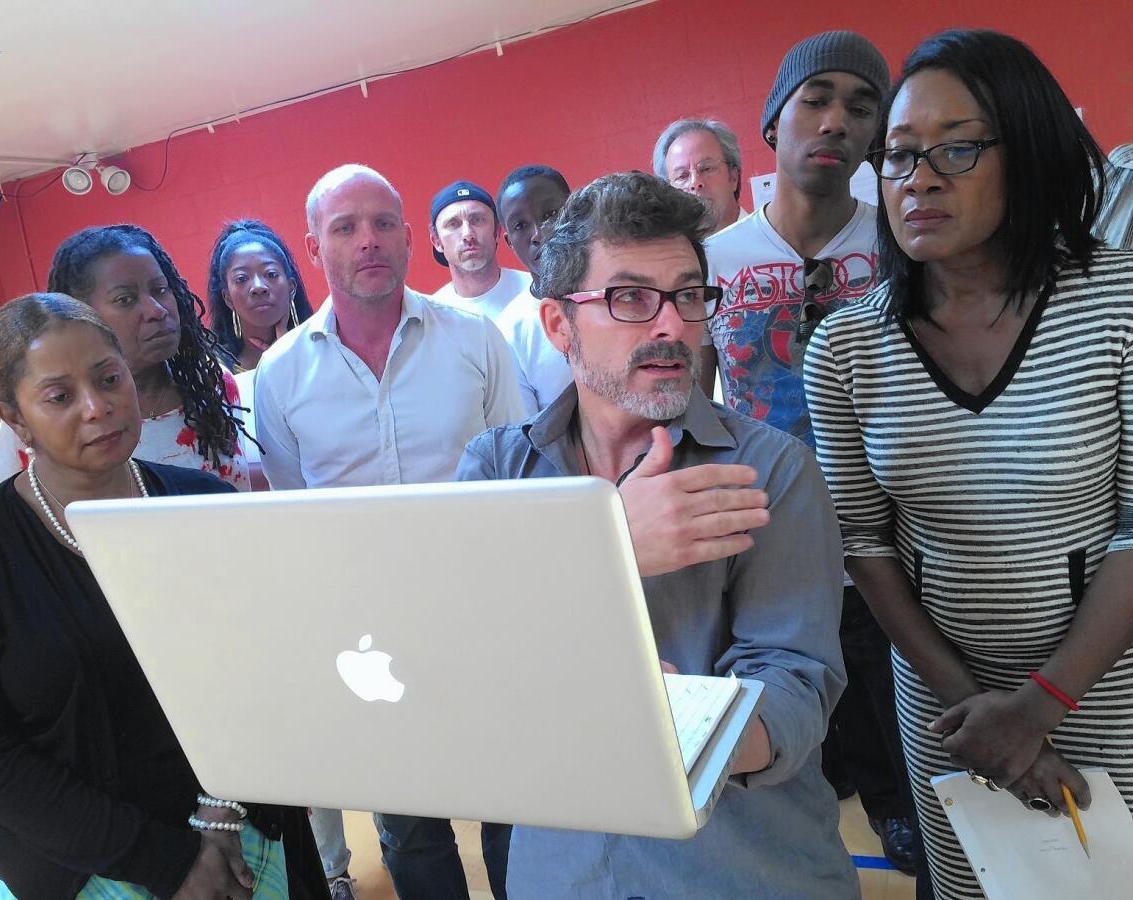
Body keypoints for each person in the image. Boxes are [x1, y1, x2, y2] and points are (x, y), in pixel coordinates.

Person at [458, 171, 858, 899]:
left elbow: (797, 690)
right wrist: (611, 550)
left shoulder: (772, 471)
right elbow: (460, 660)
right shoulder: (496, 470)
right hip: (562, 873)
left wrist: (680, 725)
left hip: (740, 871)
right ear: (558, 325)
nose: (672, 326)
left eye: (688, 296)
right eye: (630, 298)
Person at [805, 29, 1133, 900]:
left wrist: (1039, 707)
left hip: (1103, 682)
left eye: (955, 149)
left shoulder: (1117, 302)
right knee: (976, 884)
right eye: (900, 156)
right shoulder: (847, 347)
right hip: (942, 696)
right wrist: (975, 712)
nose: (919, 178)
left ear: (1023, 150)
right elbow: (866, 542)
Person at [0, 294, 328, 900]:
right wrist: (166, 863)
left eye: (108, 378)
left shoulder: (209, 507)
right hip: (73, 864)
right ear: (14, 418)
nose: (98, 408)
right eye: (59, 396)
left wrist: (221, 820)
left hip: (243, 832)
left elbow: (268, 673)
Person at [253, 164, 523, 900]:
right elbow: (294, 510)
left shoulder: (476, 341)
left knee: (515, 805)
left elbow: (518, 479)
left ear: (409, 239)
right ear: (315, 247)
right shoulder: (279, 377)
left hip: (479, 616)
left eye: (381, 224)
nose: (366, 240)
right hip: (365, 638)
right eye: (344, 227)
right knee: (407, 824)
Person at [699, 30, 920, 875]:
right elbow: (696, 398)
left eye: (861, 106)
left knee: (894, 711)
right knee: (793, 733)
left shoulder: (902, 244)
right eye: (816, 100)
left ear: (878, 133)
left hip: (892, 533)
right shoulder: (717, 259)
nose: (836, 120)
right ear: (773, 123)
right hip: (770, 534)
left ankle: (906, 823)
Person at [0, 225, 250, 492]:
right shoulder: (39, 421)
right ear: (82, 314)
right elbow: (2, 521)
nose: (156, 310)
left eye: (160, 290)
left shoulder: (212, 385)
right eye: (125, 299)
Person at [207, 219, 315, 492]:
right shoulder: (211, 371)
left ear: (291, 287)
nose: (258, 286)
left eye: (270, 274)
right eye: (241, 279)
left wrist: (287, 359)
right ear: (228, 297)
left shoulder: (324, 347)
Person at [493, 165, 574, 413]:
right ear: (509, 243)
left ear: (576, 212)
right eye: (520, 226)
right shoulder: (510, 331)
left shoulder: (621, 288)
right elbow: (529, 435)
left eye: (551, 214)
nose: (539, 233)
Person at [428, 180, 531, 320]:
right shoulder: (433, 316)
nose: (467, 234)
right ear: (436, 241)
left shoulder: (534, 291)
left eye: (477, 220)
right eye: (453, 224)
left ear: (497, 231)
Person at [653, 118, 745, 235]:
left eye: (706, 169)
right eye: (682, 176)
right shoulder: (667, 252)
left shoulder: (772, 244)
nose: (695, 183)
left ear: (733, 177)